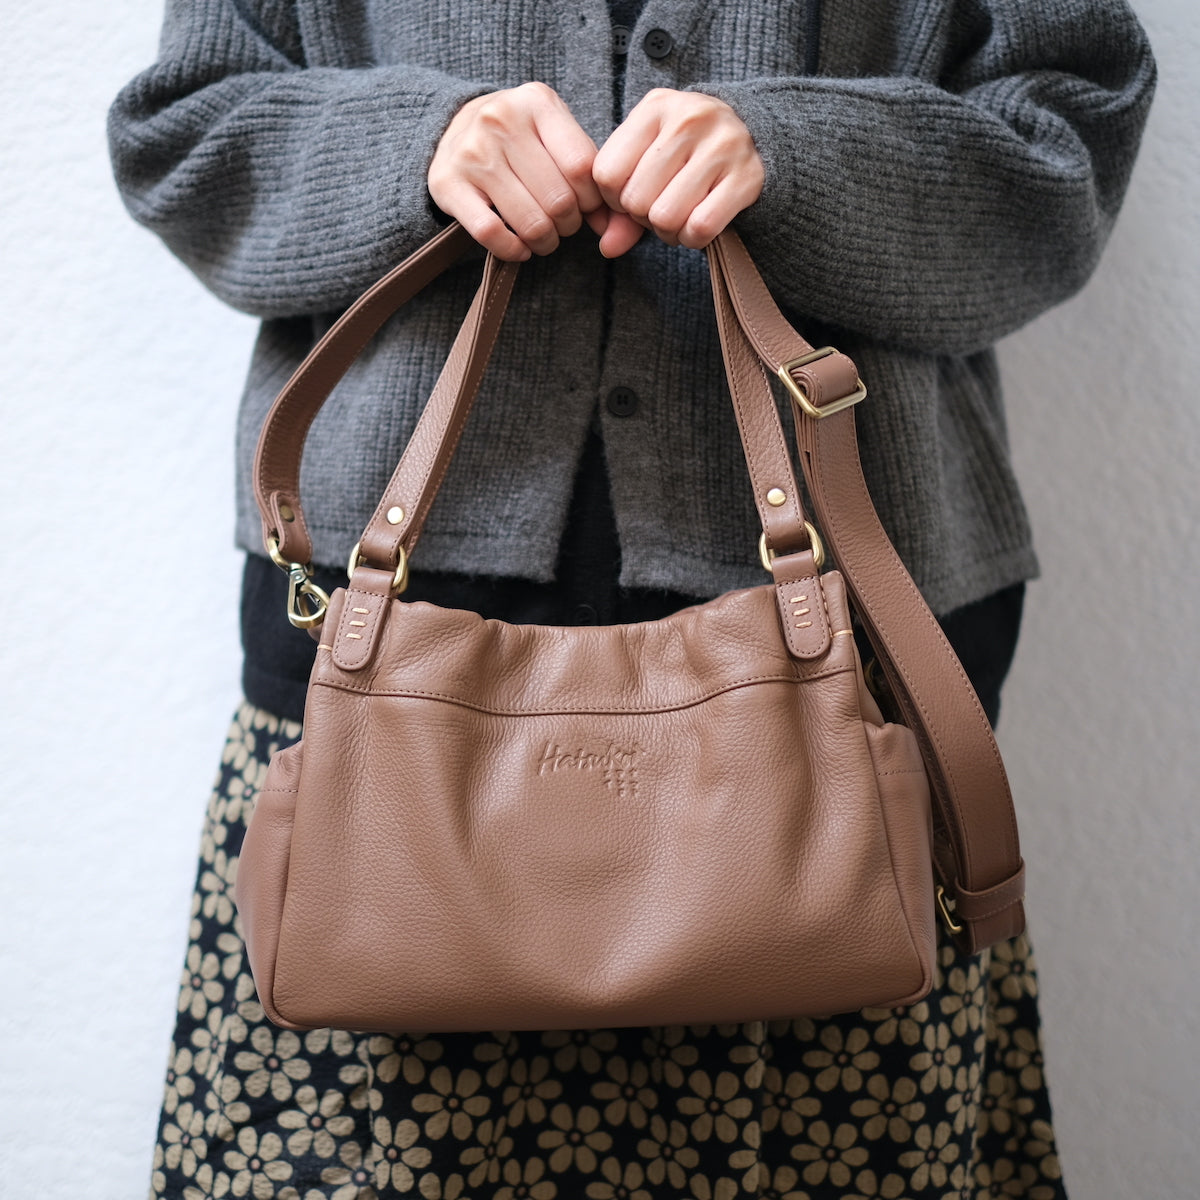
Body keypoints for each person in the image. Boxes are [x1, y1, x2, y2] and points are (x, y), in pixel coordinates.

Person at [109, 1, 1154, 1196]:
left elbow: (1069, 133)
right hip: (383, 677)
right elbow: (184, 135)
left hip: (847, 678)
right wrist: (414, 148)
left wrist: (802, 157)